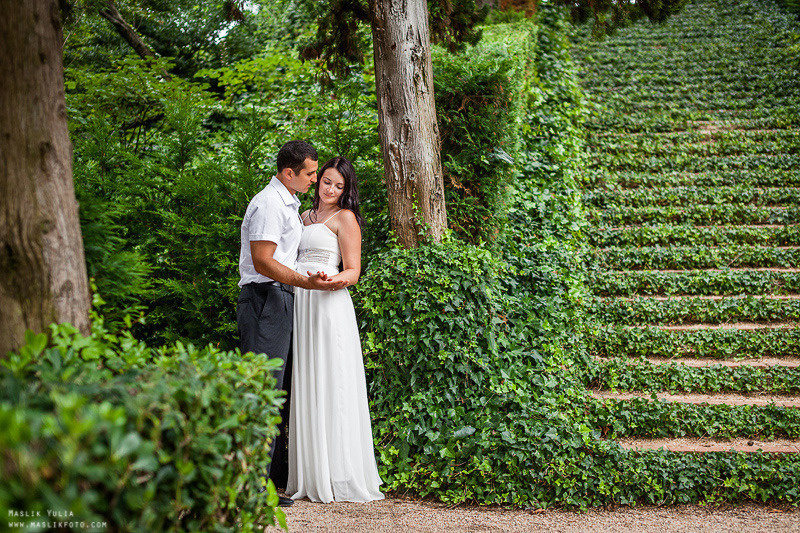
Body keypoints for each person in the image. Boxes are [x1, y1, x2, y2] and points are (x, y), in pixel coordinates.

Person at [236, 140, 346, 507]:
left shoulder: (289, 204)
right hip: (266, 298)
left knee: (275, 391)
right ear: (289, 173)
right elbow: (264, 261)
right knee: (263, 390)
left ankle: (266, 482)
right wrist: (305, 283)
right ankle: (252, 488)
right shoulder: (269, 204)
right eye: (312, 174)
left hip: (281, 299)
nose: (316, 180)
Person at [286, 156, 384, 503]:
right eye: (327, 181)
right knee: (307, 379)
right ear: (319, 181)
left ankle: (339, 473)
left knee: (332, 379)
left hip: (328, 303)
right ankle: (311, 473)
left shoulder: (346, 219)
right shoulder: (301, 218)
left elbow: (353, 271)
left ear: (346, 191)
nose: (331, 189)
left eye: (339, 186)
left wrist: (330, 282)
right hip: (301, 302)